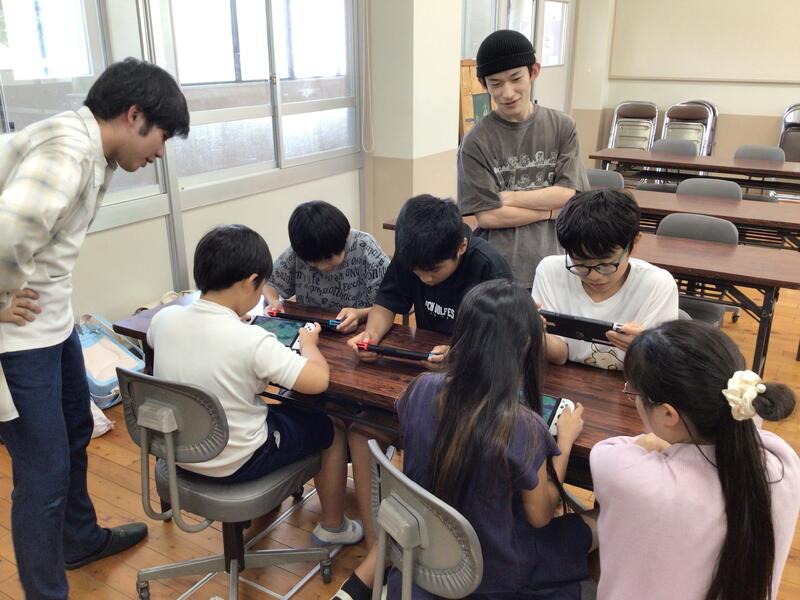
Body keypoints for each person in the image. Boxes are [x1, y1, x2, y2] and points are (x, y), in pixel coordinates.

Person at [0, 57, 189, 599]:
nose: (159, 153)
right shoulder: (68, 150)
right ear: (134, 115)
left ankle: (79, 540)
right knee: (43, 473)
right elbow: (9, 231)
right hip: (18, 341)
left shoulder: (90, 151)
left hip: (52, 324)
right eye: (161, 137)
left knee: (76, 432)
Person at [335, 279, 595, 600]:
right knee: (597, 524)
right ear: (526, 345)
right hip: (498, 570)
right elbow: (541, 516)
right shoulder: (522, 426)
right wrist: (564, 442)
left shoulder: (421, 388)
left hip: (430, 550)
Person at [148, 225, 363, 546]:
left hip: (176, 450)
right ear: (251, 282)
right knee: (330, 425)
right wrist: (309, 343)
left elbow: (188, 348)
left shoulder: (164, 320)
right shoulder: (251, 341)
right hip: (236, 462)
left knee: (279, 411)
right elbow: (318, 381)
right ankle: (334, 527)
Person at [591, 320, 800, 600]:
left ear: (668, 414)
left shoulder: (628, 473)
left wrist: (654, 440)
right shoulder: (783, 461)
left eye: (634, 393)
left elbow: (608, 452)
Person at [457, 29, 589, 288]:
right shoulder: (475, 142)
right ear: (483, 84)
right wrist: (549, 212)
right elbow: (488, 217)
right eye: (495, 83)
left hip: (559, 263)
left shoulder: (562, 126)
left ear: (534, 72)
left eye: (516, 78)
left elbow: (567, 194)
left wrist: (509, 198)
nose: (508, 93)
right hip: (498, 269)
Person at [348, 194, 511, 361]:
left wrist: (458, 355)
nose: (425, 279)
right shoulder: (411, 256)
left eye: (434, 270)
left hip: (477, 362)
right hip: (425, 353)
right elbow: (386, 302)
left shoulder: (489, 267)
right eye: (416, 271)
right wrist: (371, 336)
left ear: (461, 247)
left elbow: (505, 339)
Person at [532, 189, 678, 371]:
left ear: (634, 244)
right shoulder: (551, 271)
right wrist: (533, 331)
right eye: (580, 264)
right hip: (567, 380)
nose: (594, 276)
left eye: (606, 264)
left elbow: (660, 370)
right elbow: (560, 355)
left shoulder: (657, 285)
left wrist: (646, 350)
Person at [263, 200, 389, 333]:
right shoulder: (304, 248)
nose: (322, 267)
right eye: (313, 262)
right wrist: (273, 301)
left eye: (328, 259)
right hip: (310, 328)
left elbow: (389, 304)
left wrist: (360, 315)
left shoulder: (366, 248)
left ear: (345, 237)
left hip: (361, 331)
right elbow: (270, 283)